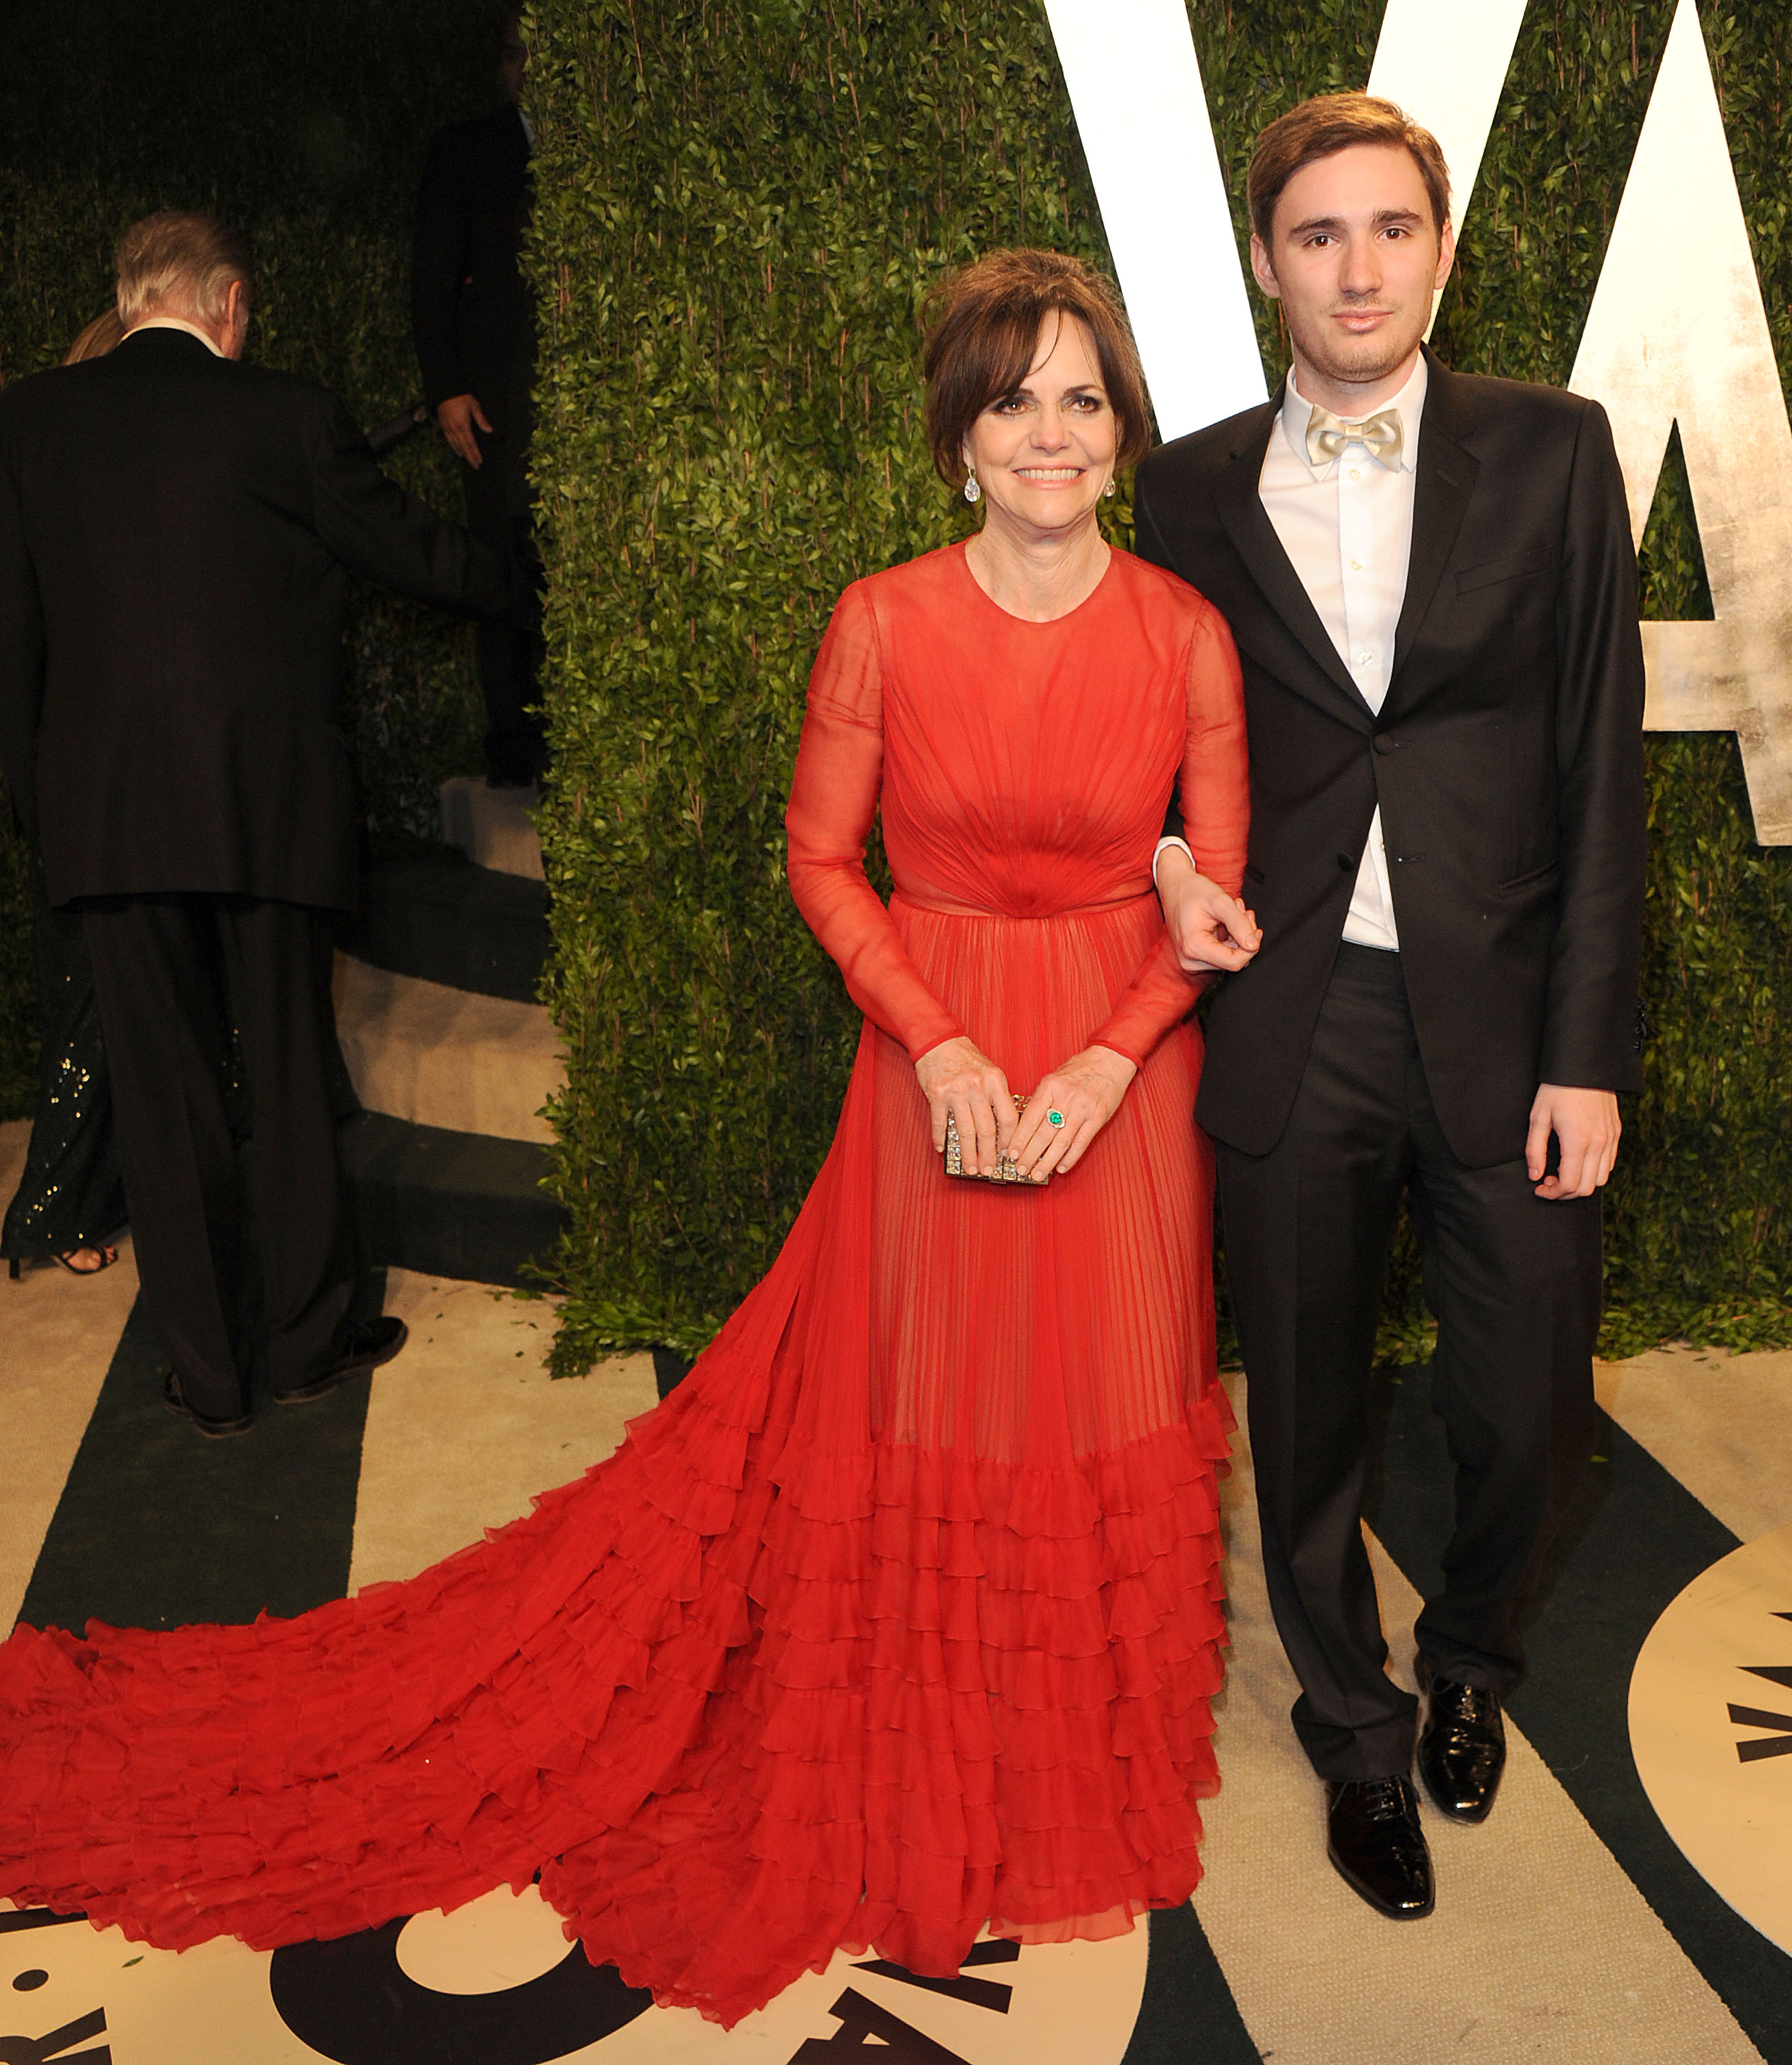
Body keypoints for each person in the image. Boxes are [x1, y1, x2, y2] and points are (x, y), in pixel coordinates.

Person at [0, 247, 1247, 2029]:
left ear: (1119, 432)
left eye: (1079, 398)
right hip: (937, 1069)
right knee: (945, 1412)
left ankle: (1062, 1750)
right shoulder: (885, 620)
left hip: (1125, 1095)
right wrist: (950, 1043)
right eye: (1010, 398)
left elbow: (1217, 868)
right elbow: (826, 864)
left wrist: (1116, 1056)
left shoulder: (1184, 631)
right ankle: (945, 1734)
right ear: (955, 434)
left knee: (1099, 1412)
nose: (1047, 431)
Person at [1134, 94, 1646, 1919]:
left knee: (1526, 1405)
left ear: (1438, 247)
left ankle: (1474, 1664)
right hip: (1286, 1016)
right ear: (1268, 260)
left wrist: (1585, 1054)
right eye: (1316, 234)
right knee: (1307, 1413)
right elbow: (1144, 750)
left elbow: (1595, 766)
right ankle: (1352, 1732)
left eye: (1388, 229)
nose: (1354, 267)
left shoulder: (1554, 452)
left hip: (1503, 1021)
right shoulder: (1186, 485)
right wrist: (1161, 871)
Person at [0, 211, 529, 1436]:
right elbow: (405, 551)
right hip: (268, 807)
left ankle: (208, 1375)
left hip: (105, 814)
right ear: (230, 303)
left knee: (159, 1085)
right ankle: (304, 1343)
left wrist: (43, 814)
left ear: (132, 299)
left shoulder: (27, 420)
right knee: (287, 1068)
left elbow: (11, 638)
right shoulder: (285, 413)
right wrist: (521, 584)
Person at [2, 308, 128, 1282]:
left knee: (105, 1000)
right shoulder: (54, 506)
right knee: (92, 1004)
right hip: (76, 793)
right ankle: (53, 1208)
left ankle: (82, 1198)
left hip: (92, 787)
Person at [412, 8, 544, 788]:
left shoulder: (597, 143)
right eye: (509, 54)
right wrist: (446, 389)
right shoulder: (465, 148)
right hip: (492, 398)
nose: (521, 66)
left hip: (572, 397)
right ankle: (511, 747)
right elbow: (430, 279)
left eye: (533, 52)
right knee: (499, 558)